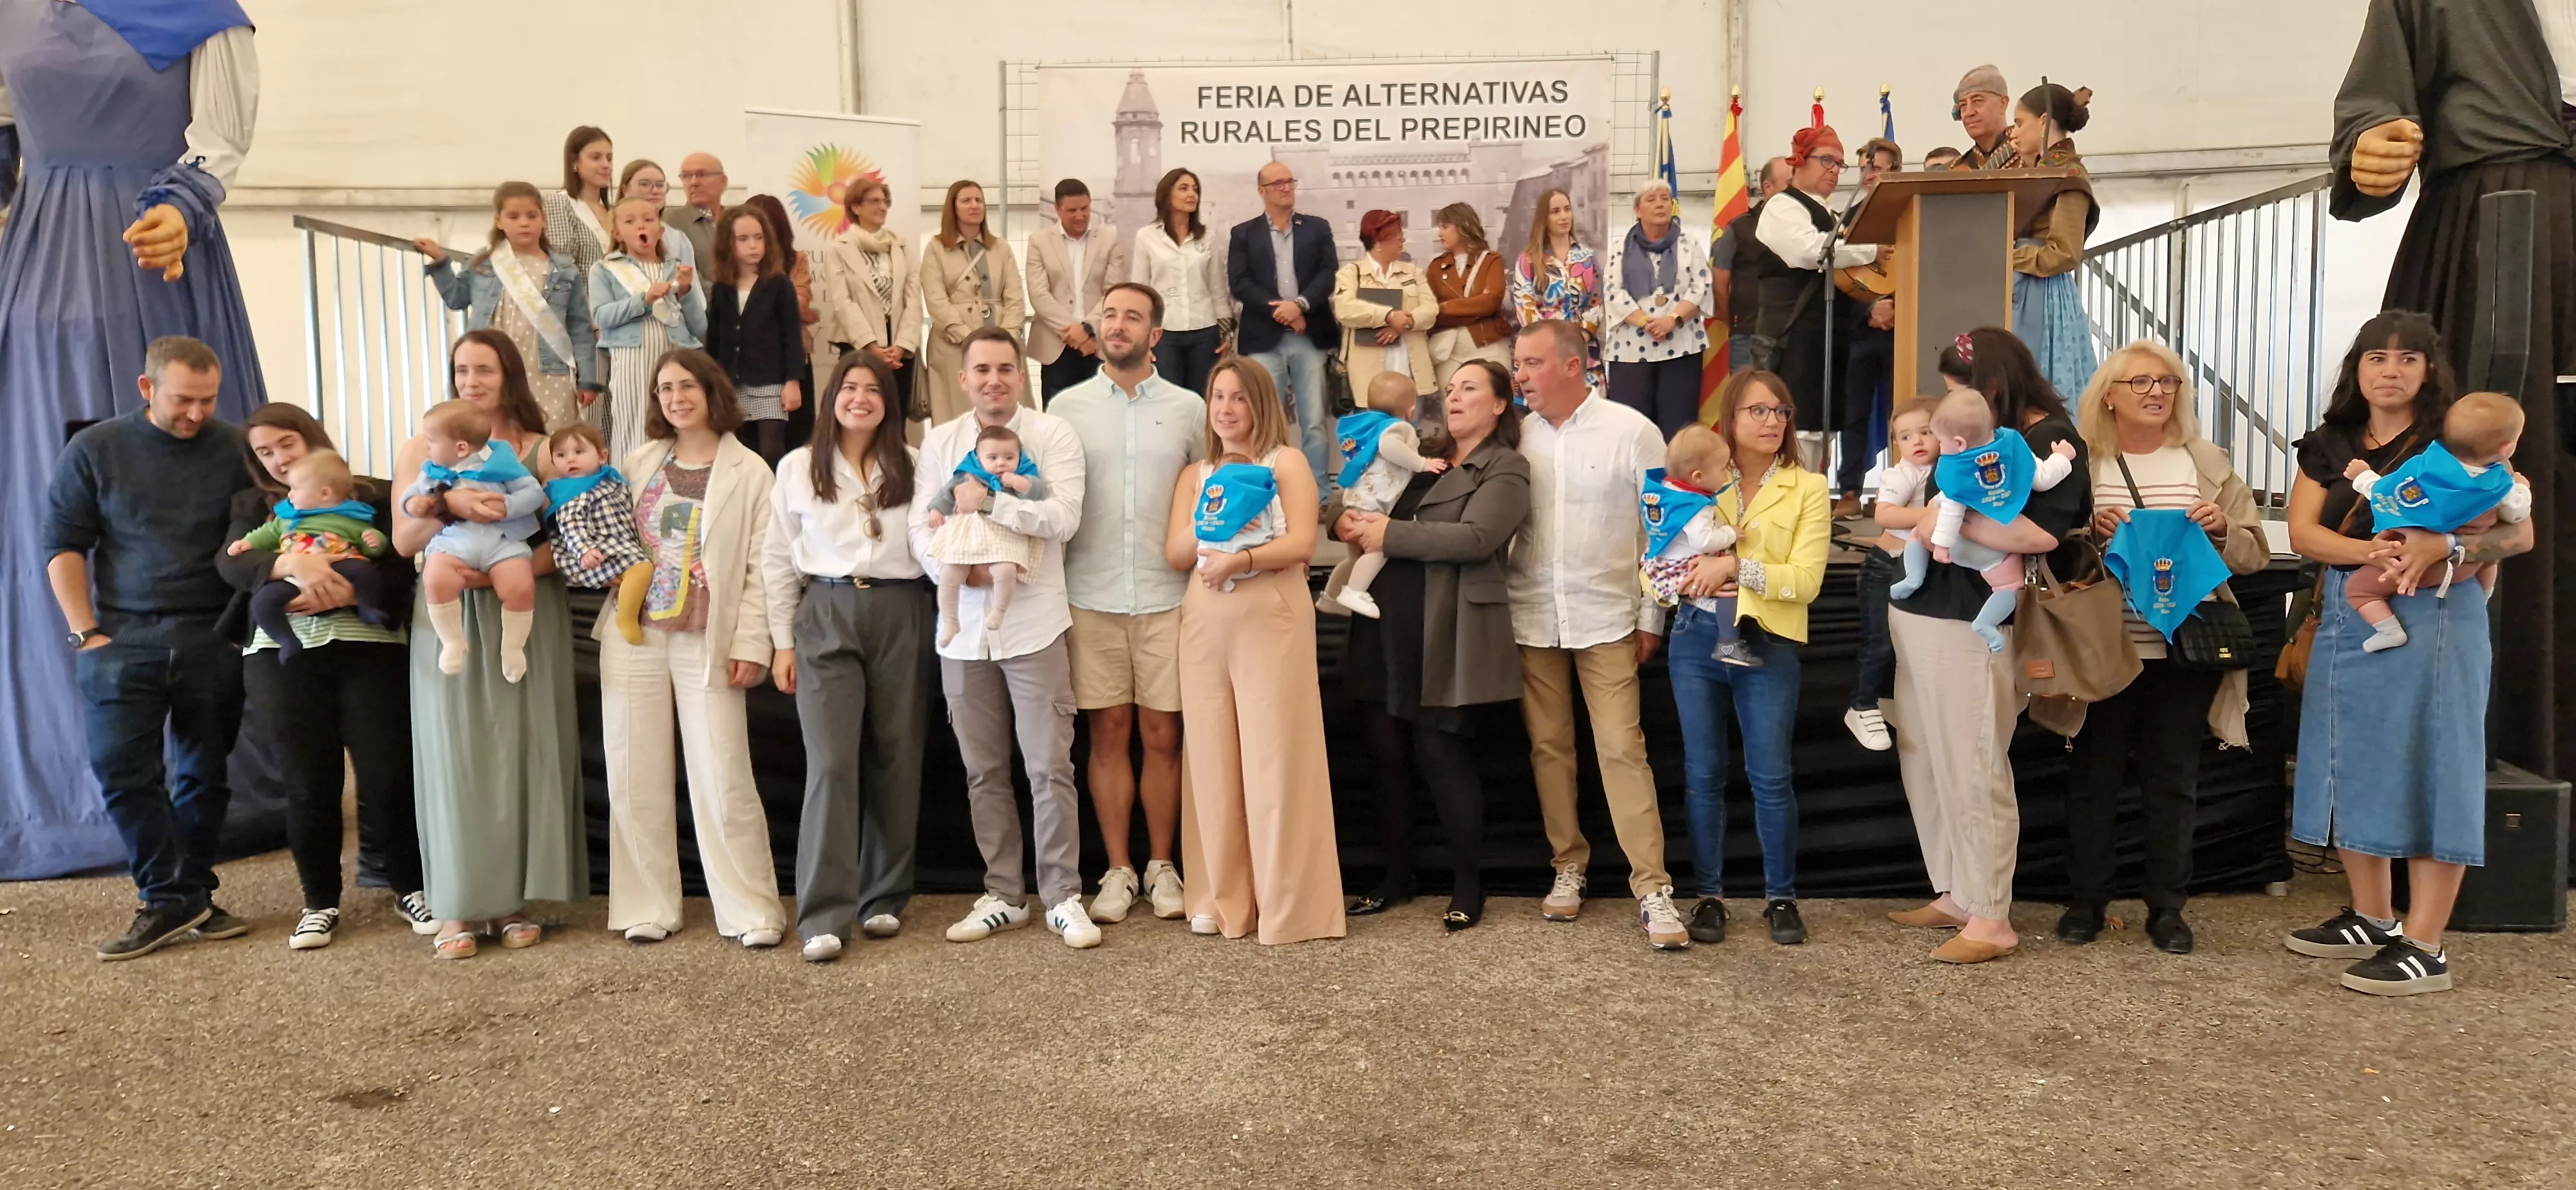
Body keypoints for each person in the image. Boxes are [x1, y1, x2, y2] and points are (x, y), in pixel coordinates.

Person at [1, 2, 267, 882]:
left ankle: (201, 781)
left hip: (153, 257)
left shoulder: (198, 10)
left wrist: (186, 206)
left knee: (183, 473)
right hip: (38, 268)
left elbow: (222, 137)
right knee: (53, 489)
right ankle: (60, 773)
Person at [2333, 0, 2576, 778]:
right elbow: (2377, 91)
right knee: (2472, 461)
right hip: (2495, 224)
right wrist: (2368, 138)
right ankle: (2461, 786)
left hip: (2525, 220)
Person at [2284, 312, 2529, 996]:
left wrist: (2446, 549)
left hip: (2440, 616)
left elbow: (2519, 536)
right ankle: (2371, 917)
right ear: (2355, 370)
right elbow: (2304, 533)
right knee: (2351, 757)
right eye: (2376, 358)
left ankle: (2425, 942)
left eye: (2406, 359)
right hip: (2352, 606)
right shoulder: (2328, 443)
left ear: (2429, 370)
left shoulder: (2462, 441)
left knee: (2433, 763)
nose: (2389, 370)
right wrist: (2379, 553)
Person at [43, 337, 256, 959]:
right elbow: (62, 546)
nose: (196, 413)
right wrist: (88, 634)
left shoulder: (238, 448)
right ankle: (174, 895)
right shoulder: (96, 448)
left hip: (212, 634)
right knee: (121, 771)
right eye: (183, 399)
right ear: (147, 389)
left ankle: (179, 896)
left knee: (205, 774)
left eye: (208, 400)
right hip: (122, 639)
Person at [1883, 327, 2088, 964]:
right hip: (1924, 608)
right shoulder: (1975, 440)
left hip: (1978, 619)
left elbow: (2039, 534)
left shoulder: (2044, 439)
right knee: (1927, 756)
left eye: (1959, 396)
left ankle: (1991, 915)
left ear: (1992, 387)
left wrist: (1944, 516)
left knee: (1974, 762)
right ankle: (1956, 890)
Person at [2060, 341, 2269, 955]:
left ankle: (2168, 910)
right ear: (2110, 396)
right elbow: (2049, 554)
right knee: (2093, 779)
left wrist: (2225, 528)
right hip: (2107, 649)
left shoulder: (2205, 462)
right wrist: (2086, 535)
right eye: (2143, 382)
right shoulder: (2083, 466)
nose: (2158, 392)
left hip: (2186, 650)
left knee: (2173, 780)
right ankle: (2086, 904)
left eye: (2169, 382)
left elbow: (2254, 552)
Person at [393, 330, 586, 958]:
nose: (471, 381)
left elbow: (575, 530)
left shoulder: (540, 448)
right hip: (451, 613)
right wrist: (445, 502)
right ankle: (457, 904)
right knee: (458, 755)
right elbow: (402, 542)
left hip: (523, 606)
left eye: (484, 370)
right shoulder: (422, 450)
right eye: (461, 370)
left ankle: (517, 900)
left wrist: (518, 569)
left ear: (510, 375)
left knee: (522, 751)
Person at [910, 326, 1099, 949]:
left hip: (1035, 624)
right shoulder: (939, 442)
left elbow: (1063, 519)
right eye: (981, 370)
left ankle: (1063, 896)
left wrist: (988, 508)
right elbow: (920, 526)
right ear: (962, 379)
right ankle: (1003, 894)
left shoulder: (1051, 436)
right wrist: (959, 574)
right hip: (962, 634)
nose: (994, 380)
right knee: (983, 771)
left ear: (1022, 375)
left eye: (1005, 369)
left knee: (1049, 768)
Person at [1330, 359, 1530, 930]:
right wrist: (1341, 520)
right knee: (1385, 753)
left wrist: (1389, 533)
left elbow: (1478, 537)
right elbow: (1348, 491)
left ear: (1498, 404)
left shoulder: (1506, 467)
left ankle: (1469, 883)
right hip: (1380, 617)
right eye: (1450, 389)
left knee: (1440, 753)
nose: (1454, 396)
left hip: (1444, 624)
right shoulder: (1412, 447)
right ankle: (1396, 876)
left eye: (1469, 388)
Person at [218, 404, 426, 950]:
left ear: (311, 437)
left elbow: (400, 561)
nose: (278, 459)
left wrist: (353, 589)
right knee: (307, 784)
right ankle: (320, 903)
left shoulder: (372, 496)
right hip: (281, 655)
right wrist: (293, 567)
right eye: (265, 452)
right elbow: (232, 563)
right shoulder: (256, 506)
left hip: (369, 648)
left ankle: (412, 888)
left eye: (286, 443)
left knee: (387, 775)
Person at [1508, 319, 1689, 950]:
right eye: (1517, 364)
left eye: (1530, 363)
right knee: (1549, 747)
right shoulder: (1517, 435)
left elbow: (1661, 531)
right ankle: (1568, 866)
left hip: (1609, 616)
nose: (1520, 375)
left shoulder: (1632, 432)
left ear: (1569, 365)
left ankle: (1652, 887)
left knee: (1620, 747)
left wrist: (1651, 616)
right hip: (1530, 615)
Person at [597, 348, 786, 949]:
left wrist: (754, 642)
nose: (675, 398)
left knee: (723, 773)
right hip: (635, 635)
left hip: (711, 639)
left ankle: (751, 909)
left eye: (685, 386)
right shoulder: (639, 462)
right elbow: (613, 536)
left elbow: (762, 567)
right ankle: (647, 903)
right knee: (633, 773)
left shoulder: (752, 471)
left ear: (711, 391)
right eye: (664, 390)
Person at [764, 352, 938, 961]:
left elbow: (932, 541)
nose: (860, 397)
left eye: (874, 389)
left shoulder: (915, 465)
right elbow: (777, 559)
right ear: (831, 396)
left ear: (890, 402)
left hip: (901, 610)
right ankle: (823, 914)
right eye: (849, 387)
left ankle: (884, 897)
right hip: (826, 611)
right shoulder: (795, 467)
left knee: (896, 755)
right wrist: (782, 641)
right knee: (832, 763)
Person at [1164, 357, 1344, 944]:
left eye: (1239, 398)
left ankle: (1288, 904)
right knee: (1212, 761)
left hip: (1270, 616)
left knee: (1275, 759)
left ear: (1260, 404)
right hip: (1204, 621)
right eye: (1218, 396)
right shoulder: (1197, 473)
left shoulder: (1285, 462)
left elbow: (1300, 542)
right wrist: (1214, 514)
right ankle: (1221, 898)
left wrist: (1242, 557)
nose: (1225, 408)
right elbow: (1174, 553)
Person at [1049, 283, 1204, 923]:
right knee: (1107, 732)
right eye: (1109, 315)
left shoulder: (1192, 409)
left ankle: (1162, 866)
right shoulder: (1064, 406)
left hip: (1170, 596)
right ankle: (1117, 871)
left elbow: (1210, 494)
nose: (1117, 325)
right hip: (1091, 593)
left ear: (1155, 334)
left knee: (1164, 734)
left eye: (1132, 317)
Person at [1662, 370, 1831, 946]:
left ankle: (1780, 897)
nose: (1771, 421)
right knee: (1702, 774)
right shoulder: (1701, 480)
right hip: (1693, 637)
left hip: (1769, 641)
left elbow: (1806, 582)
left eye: (1780, 411)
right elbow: (1655, 555)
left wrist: (1736, 567)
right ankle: (1709, 896)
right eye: (1757, 411)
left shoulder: (1807, 488)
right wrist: (1672, 579)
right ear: (1729, 418)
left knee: (1770, 776)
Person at [1886, 388, 2081, 652]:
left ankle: (1914, 577)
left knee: (1918, 535)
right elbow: (2044, 479)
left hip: (1956, 544)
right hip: (1997, 552)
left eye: (1941, 441)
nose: (1939, 448)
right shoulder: (2012, 447)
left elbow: (1952, 514)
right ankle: (1987, 623)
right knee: (2010, 586)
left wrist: (1942, 546)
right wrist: (2063, 458)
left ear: (1959, 444)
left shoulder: (1956, 469)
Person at [2342, 393, 2530, 650]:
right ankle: (2484, 596)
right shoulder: (2501, 484)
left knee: (2359, 589)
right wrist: (2522, 487)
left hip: (2422, 568)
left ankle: (2389, 630)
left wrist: (2362, 475)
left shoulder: (2426, 469)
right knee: (2491, 558)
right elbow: (2516, 514)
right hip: (2472, 563)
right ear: (2507, 448)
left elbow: (2385, 492)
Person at [1755, 125, 1889, 476]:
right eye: (1826, 160)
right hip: (1793, 336)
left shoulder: (1830, 215)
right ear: (1799, 161)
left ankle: (1814, 509)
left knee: (1822, 428)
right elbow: (1809, 252)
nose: (1834, 170)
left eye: (1840, 164)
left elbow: (1844, 278)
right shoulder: (1781, 206)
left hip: (1826, 337)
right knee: (1797, 428)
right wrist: (1872, 251)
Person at [417, 182, 600, 431]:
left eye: (531, 216)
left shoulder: (564, 269)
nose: (524, 223)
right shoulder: (484, 262)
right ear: (499, 221)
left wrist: (588, 379)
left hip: (547, 371)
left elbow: (580, 326)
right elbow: (457, 299)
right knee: (497, 432)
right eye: (514, 216)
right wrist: (439, 263)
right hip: (494, 368)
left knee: (549, 437)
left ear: (544, 219)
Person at [404, 399, 545, 681]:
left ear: (461, 447)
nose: (426, 446)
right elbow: (408, 497)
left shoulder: (502, 464)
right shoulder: (431, 470)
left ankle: (513, 647)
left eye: (432, 441)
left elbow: (534, 494)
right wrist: (414, 505)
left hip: (501, 540)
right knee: (436, 579)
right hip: (454, 543)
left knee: (520, 585)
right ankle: (453, 641)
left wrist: (508, 507)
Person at [1231, 161, 1341, 484]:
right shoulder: (1243, 233)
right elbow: (1240, 284)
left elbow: (1328, 274)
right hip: (1263, 338)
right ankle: (1269, 490)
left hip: (1310, 335)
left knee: (1315, 421)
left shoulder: (1317, 228)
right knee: (1265, 420)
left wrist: (1301, 306)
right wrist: (1282, 311)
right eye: (1278, 183)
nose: (1286, 188)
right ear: (1262, 191)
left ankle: (1318, 493)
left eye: (1290, 181)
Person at [227, 449, 392, 659]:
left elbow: (372, 545)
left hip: (339, 567)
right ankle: (287, 640)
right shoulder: (287, 518)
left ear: (325, 494)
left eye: (295, 489)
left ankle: (368, 608)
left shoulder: (351, 517)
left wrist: (375, 541)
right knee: (262, 602)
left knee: (365, 570)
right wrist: (245, 543)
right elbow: (266, 534)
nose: (290, 495)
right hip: (293, 577)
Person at [1846, 395, 1939, 751]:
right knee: (1880, 642)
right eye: (1904, 437)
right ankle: (1862, 704)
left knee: (1909, 647)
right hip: (1885, 568)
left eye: (1925, 432)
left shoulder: (1946, 469)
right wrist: (1934, 516)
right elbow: (1884, 515)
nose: (1916, 442)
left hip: (1919, 568)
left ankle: (1888, 702)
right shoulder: (1903, 474)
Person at [591, 196, 707, 468]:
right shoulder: (606, 269)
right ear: (616, 232)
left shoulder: (675, 268)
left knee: (676, 425)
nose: (640, 226)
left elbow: (699, 327)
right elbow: (602, 316)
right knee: (634, 428)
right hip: (632, 358)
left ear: (660, 228)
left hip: (674, 357)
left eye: (648, 219)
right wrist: (643, 300)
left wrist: (687, 292)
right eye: (630, 221)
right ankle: (630, 496)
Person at [2006, 83, 2102, 402]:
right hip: (2019, 285)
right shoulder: (2035, 171)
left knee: (2041, 386)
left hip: (2042, 293)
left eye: (2020, 123)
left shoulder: (2069, 174)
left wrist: (2005, 257)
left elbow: (2063, 254)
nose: (2014, 134)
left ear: (2044, 121)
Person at [1323, 372, 1441, 619]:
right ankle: (1354, 591)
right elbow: (1389, 445)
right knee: (1379, 548)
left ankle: (1330, 598)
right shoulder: (1398, 428)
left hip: (1355, 500)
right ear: (1411, 410)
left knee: (1355, 557)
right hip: (1373, 505)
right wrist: (1420, 463)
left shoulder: (1366, 428)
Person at [1602, 180, 1714, 439]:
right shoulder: (1620, 247)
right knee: (1632, 429)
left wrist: (1672, 320)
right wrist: (1646, 322)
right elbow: (1612, 291)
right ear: (1637, 210)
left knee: (1679, 428)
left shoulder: (1689, 244)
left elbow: (1701, 287)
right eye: (1651, 200)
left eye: (1665, 198)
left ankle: (1674, 480)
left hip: (1682, 348)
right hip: (1630, 351)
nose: (1660, 204)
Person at [923, 424, 1052, 646]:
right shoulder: (967, 477)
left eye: (1009, 457)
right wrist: (936, 510)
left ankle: (998, 612)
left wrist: (1017, 482)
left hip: (1004, 538)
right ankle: (951, 620)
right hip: (969, 538)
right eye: (992, 457)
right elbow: (945, 493)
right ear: (978, 459)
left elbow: (1038, 492)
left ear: (1020, 458)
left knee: (1006, 571)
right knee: (949, 575)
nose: (1001, 463)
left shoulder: (1019, 478)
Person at [1638, 427, 1751, 668]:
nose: (1727, 474)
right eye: (1722, 469)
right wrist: (1730, 532)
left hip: (1660, 561)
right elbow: (1704, 541)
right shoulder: (1696, 506)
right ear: (1698, 477)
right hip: (1682, 566)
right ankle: (1728, 643)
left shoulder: (1668, 492)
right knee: (1730, 592)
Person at [920, 180, 1027, 424]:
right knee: (957, 418)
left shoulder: (1001, 247)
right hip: (952, 346)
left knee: (1005, 417)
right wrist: (969, 340)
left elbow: (1015, 298)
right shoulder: (935, 249)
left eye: (979, 200)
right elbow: (936, 300)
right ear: (953, 207)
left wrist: (1008, 339)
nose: (975, 206)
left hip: (1004, 341)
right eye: (966, 201)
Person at [706, 203, 805, 466]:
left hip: (772, 382)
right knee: (740, 451)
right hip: (732, 384)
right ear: (728, 244)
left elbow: (792, 336)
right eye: (743, 239)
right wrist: (714, 384)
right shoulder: (721, 288)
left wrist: (793, 382)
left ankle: (774, 502)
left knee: (772, 451)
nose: (753, 245)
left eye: (759, 238)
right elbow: (714, 340)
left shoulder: (779, 284)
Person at [542, 422, 653, 645]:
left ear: (602, 456)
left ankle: (633, 609)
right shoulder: (572, 493)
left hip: (618, 544)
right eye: (561, 455)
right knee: (642, 568)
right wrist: (584, 550)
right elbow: (571, 525)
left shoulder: (608, 481)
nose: (570, 459)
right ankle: (626, 617)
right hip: (594, 549)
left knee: (638, 574)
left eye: (579, 452)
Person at [820, 177, 922, 421]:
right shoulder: (840, 247)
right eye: (874, 201)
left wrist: (900, 347)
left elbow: (913, 298)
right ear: (856, 208)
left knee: (895, 420)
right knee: (860, 417)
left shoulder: (900, 245)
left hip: (899, 349)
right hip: (858, 346)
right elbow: (843, 302)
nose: (883, 207)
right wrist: (870, 346)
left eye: (885, 202)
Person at [1129, 167, 1229, 396]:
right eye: (1184, 189)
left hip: (1205, 331)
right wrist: (1141, 340)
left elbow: (1217, 288)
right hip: (1164, 334)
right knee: (1169, 402)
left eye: (1195, 189)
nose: (1192, 194)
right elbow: (1139, 292)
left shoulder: (1208, 236)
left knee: (1203, 403)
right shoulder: (1147, 237)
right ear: (1166, 195)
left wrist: (1227, 334)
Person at [1026, 179, 1128, 401]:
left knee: (1101, 415)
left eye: (1085, 209)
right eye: (1072, 210)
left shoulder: (1110, 240)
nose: (1080, 216)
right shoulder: (1039, 241)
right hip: (1057, 346)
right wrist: (1075, 334)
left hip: (1098, 344)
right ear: (1057, 210)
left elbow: (1115, 292)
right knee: (1056, 418)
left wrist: (1089, 329)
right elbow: (1039, 294)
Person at [1331, 209, 1441, 406]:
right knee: (1372, 430)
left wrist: (1402, 324)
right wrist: (1388, 316)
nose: (1403, 240)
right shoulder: (1350, 273)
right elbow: (1345, 309)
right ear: (1379, 241)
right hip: (1366, 375)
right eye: (1397, 236)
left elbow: (1431, 309)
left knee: (1408, 430)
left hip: (1408, 367)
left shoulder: (1413, 273)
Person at [1508, 189, 1603, 377]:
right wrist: (1549, 342)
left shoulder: (1588, 257)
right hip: (1542, 351)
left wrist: (1582, 336)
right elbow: (1524, 304)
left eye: (1567, 209)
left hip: (1582, 349)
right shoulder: (1528, 260)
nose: (1564, 216)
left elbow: (1597, 301)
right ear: (1544, 218)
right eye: (1555, 211)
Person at [1714, 156, 1793, 373]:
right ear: (1768, 187)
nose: (1796, 190)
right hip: (1749, 333)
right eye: (1789, 183)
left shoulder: (1806, 225)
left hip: (1796, 332)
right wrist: (1734, 321)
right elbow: (1719, 282)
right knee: (1749, 397)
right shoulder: (1740, 227)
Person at [1423, 202, 1511, 388]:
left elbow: (1491, 302)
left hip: (1489, 346)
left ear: (1462, 226)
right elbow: (1431, 312)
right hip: (1449, 351)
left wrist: (1446, 307)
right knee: (1454, 408)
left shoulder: (1491, 260)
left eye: (1445, 227)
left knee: (1495, 405)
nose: (1440, 233)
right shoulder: (1435, 268)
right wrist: (1475, 308)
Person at [542, 126, 617, 296]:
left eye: (609, 158)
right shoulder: (559, 203)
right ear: (575, 162)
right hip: (581, 311)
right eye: (596, 157)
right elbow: (561, 267)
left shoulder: (614, 211)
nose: (606, 165)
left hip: (617, 311)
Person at [616, 159, 695, 268]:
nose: (655, 191)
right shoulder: (609, 231)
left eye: (660, 185)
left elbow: (692, 282)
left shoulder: (678, 238)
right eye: (644, 184)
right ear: (625, 190)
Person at [667, 152, 730, 269]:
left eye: (702, 174)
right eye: (687, 176)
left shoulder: (739, 219)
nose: (694, 182)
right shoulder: (671, 223)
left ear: (723, 181)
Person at [1953, 66, 2020, 170]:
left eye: (1977, 101)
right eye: (1963, 105)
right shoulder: (1960, 167)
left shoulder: (2030, 150)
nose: (1969, 112)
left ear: (2003, 104)